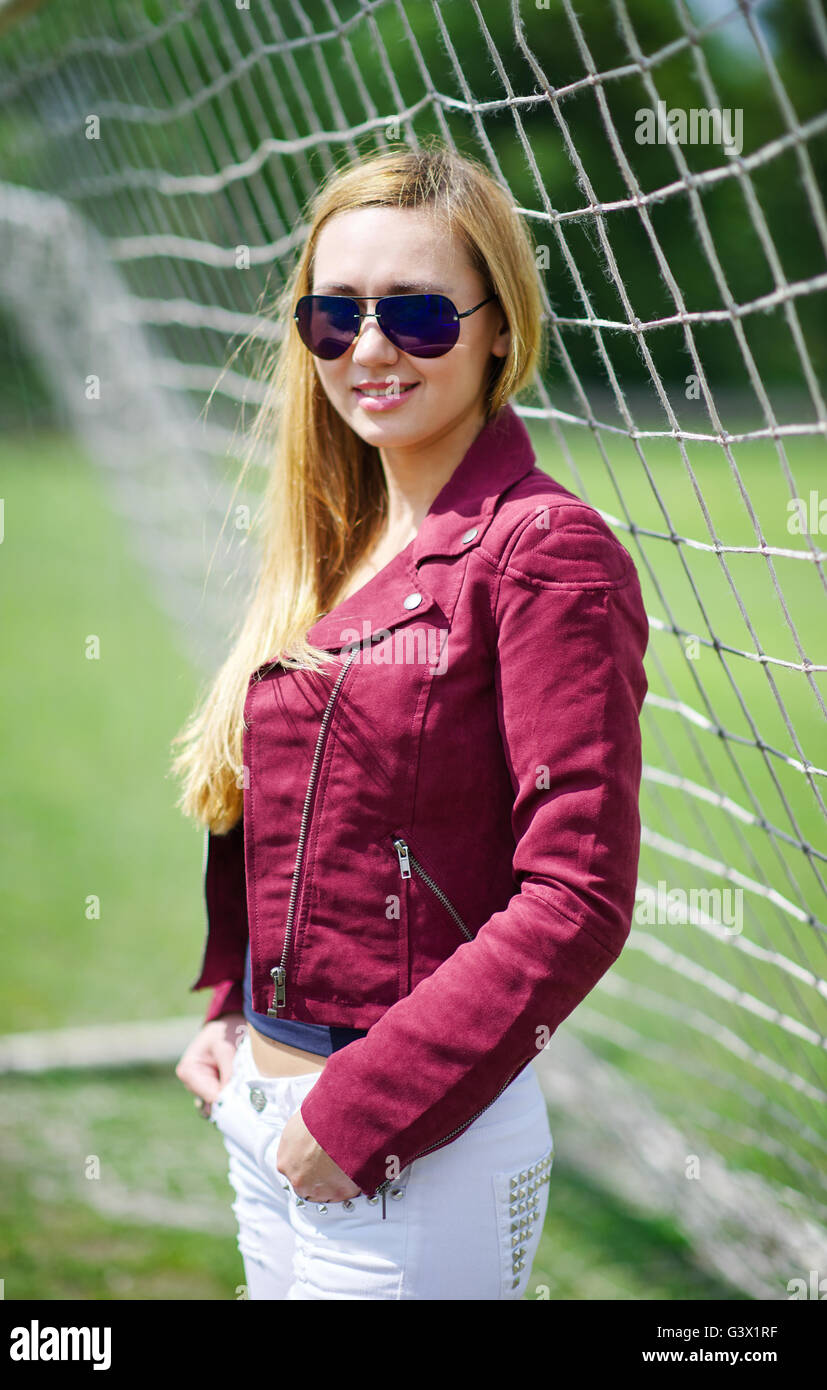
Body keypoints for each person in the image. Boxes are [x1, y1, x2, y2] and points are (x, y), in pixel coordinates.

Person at [171, 140, 649, 1300]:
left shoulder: (545, 552)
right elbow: (283, 807)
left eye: (419, 314)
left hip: (410, 1150)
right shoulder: (328, 550)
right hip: (267, 1110)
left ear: (499, 328)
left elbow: (577, 896)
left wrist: (362, 1110)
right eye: (333, 315)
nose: (369, 349)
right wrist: (239, 1010)